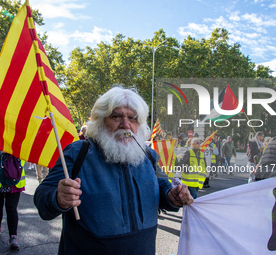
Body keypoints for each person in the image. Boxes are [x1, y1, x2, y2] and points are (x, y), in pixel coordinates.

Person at [34, 86, 194, 255]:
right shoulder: (77, 152)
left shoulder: (148, 156)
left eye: (132, 118)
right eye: (116, 116)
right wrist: (57, 198)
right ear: (101, 120)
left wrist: (173, 196)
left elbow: (164, 188)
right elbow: (42, 199)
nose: (125, 125)